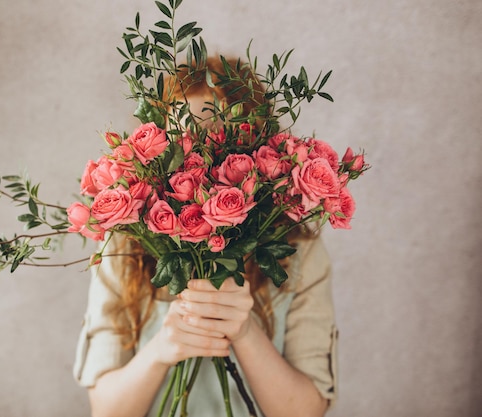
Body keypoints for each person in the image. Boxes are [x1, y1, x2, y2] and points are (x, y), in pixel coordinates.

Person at [73, 58, 338, 417]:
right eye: (185, 147)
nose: (203, 166)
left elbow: (307, 411)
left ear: (261, 153)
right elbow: (106, 411)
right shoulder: (123, 247)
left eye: (223, 146)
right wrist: (165, 347)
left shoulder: (300, 253)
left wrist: (244, 332)